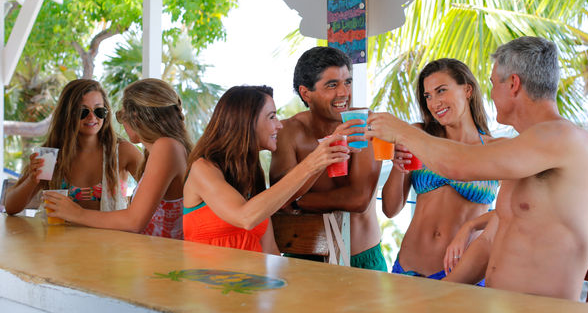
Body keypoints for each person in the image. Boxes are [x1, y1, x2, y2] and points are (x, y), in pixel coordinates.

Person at [366, 36, 588, 300]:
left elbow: (458, 165)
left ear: (513, 84)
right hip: (494, 303)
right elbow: (489, 242)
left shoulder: (563, 138)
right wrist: (434, 296)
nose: (489, 93)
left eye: (492, 83)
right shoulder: (523, 152)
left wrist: (401, 131)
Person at [182, 85, 349, 253]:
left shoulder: (251, 172)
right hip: (207, 279)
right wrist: (310, 164)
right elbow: (245, 217)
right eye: (271, 117)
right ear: (246, 122)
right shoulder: (203, 169)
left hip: (255, 278)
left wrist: (325, 159)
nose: (279, 125)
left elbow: (270, 250)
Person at [270, 46, 386, 271]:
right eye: (332, 85)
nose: (344, 92)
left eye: (348, 82)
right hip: (303, 258)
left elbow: (358, 200)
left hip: (362, 259)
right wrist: (286, 198)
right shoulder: (289, 132)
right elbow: (278, 197)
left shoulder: (363, 122)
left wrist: (297, 201)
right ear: (306, 93)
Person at [382, 59, 498, 281]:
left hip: (464, 277)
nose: (434, 103)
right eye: (428, 96)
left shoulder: (493, 149)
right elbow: (390, 209)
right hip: (408, 269)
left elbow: (511, 213)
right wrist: (398, 168)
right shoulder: (418, 137)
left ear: (467, 89)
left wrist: (471, 227)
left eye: (441, 91)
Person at [44, 79, 190, 239]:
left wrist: (77, 213)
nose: (122, 123)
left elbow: (134, 222)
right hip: (154, 256)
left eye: (121, 115)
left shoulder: (166, 147)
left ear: (135, 116)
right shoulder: (162, 148)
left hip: (164, 259)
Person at [5, 79, 142, 215]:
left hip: (110, 236)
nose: (92, 117)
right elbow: (11, 207)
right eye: (83, 111)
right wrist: (32, 180)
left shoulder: (122, 152)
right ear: (67, 114)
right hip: (59, 236)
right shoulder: (52, 155)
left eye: (99, 110)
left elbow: (158, 194)